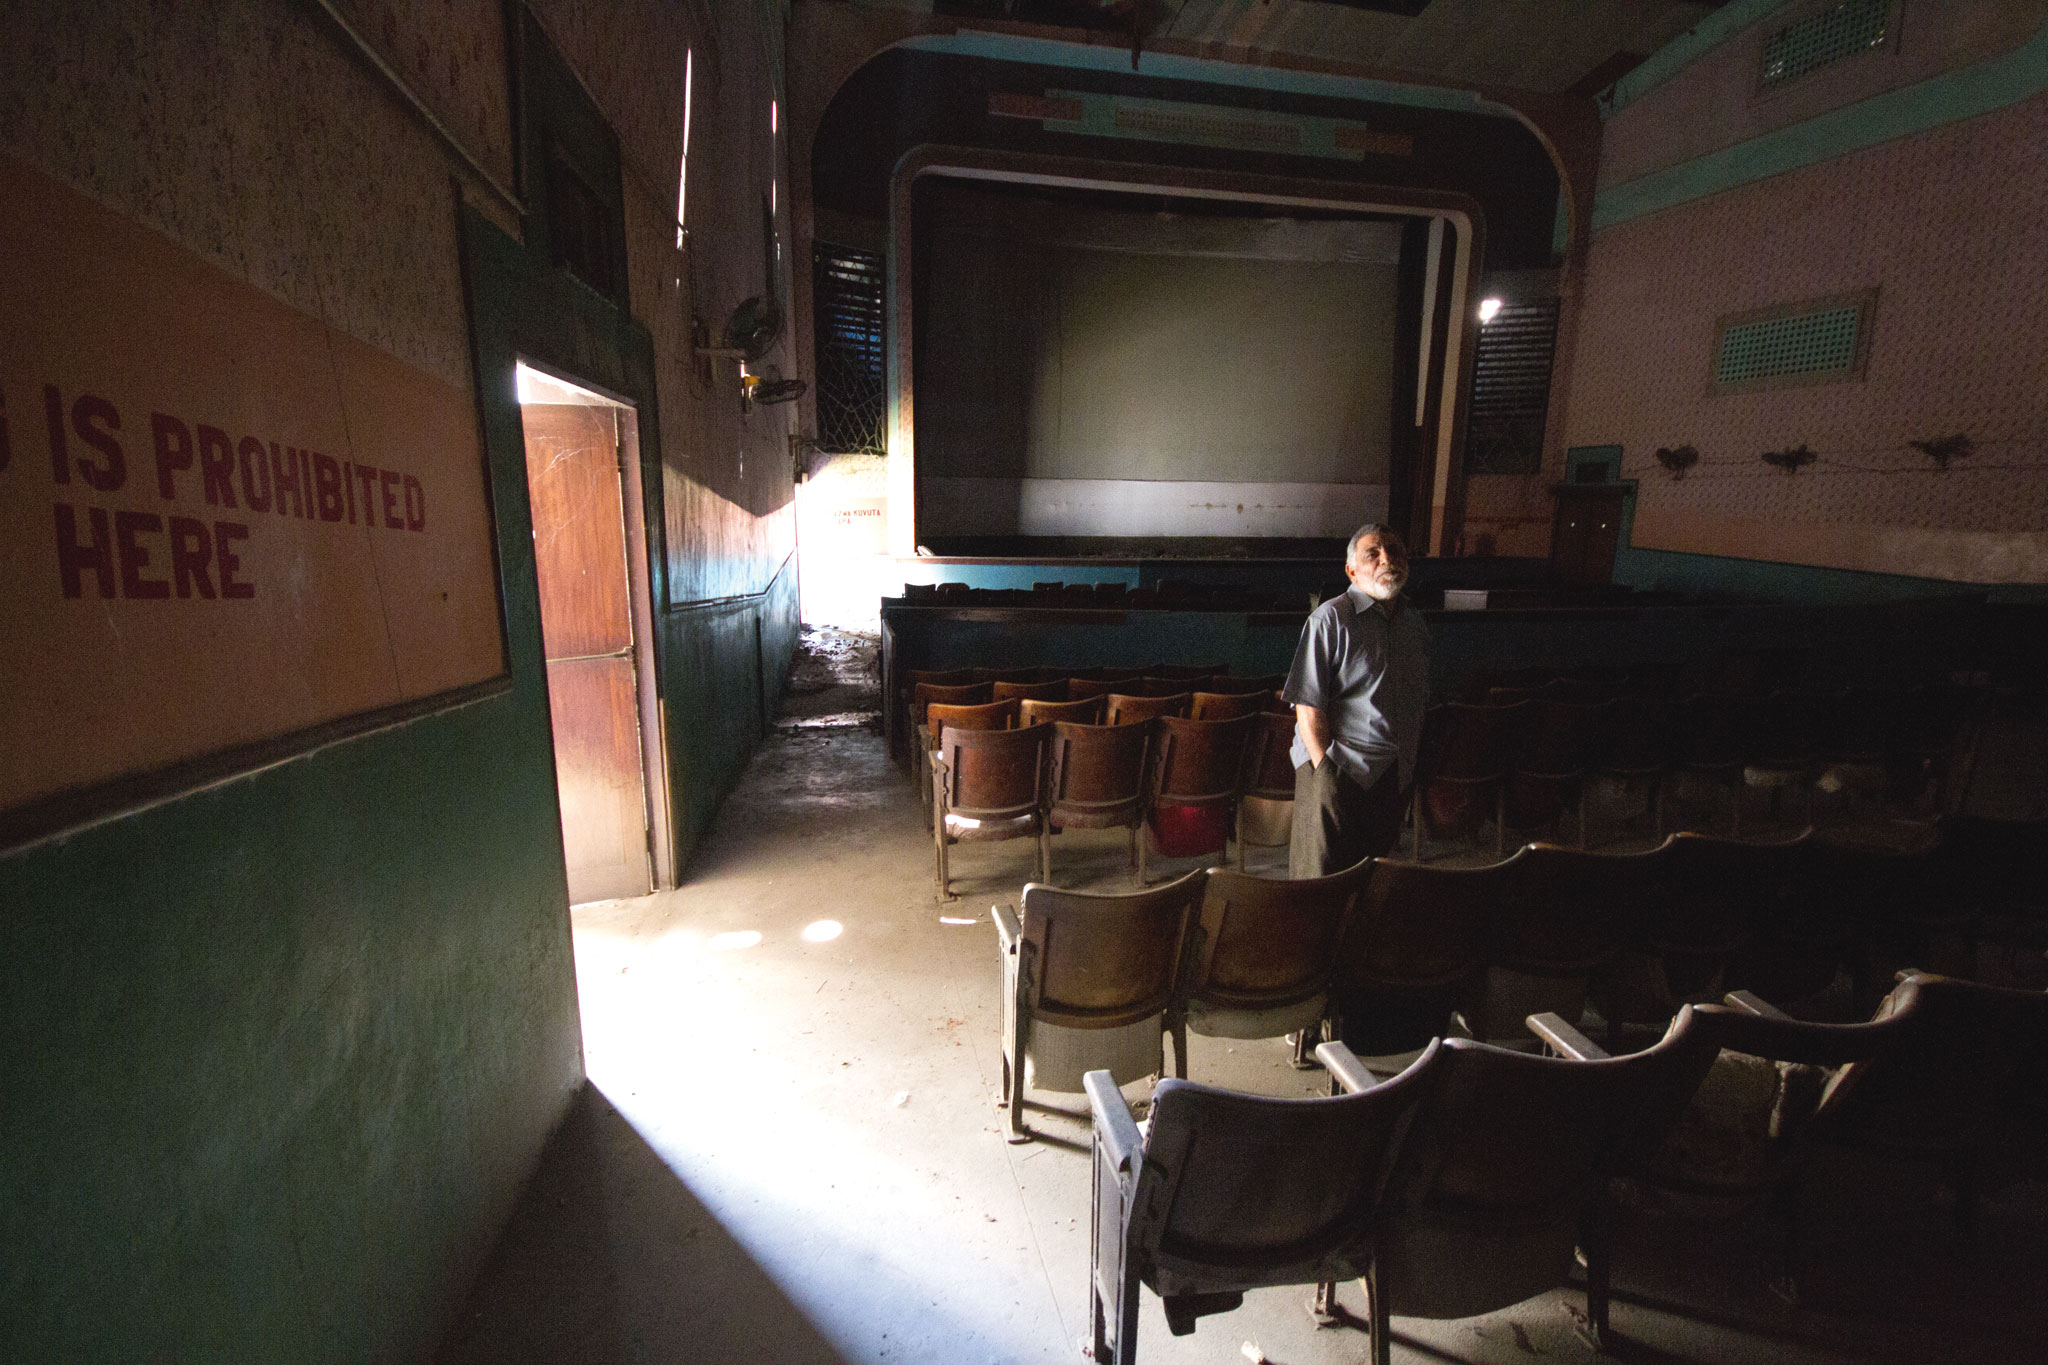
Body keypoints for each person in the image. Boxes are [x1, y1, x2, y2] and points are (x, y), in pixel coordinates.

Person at [1282, 523, 1429, 877]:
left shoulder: (1414, 623)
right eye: (1373, 553)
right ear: (1351, 571)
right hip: (1339, 771)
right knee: (1320, 884)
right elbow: (1308, 706)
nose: (1386, 559)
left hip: (1393, 775)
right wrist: (1325, 773)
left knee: (1373, 883)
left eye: (1394, 551)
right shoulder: (1330, 619)